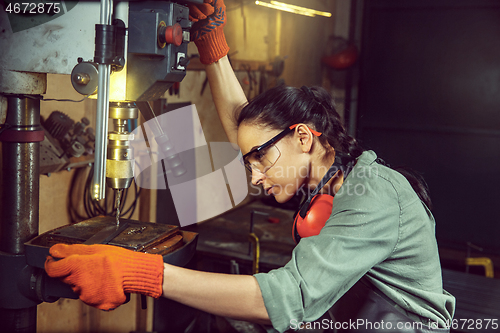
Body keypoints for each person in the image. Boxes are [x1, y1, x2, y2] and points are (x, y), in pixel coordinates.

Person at [45, 0, 455, 332]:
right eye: (250, 162)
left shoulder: (375, 194)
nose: (254, 176)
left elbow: (292, 296)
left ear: (304, 137)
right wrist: (212, 46)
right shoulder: (322, 174)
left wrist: (143, 272)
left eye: (261, 159)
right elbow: (250, 128)